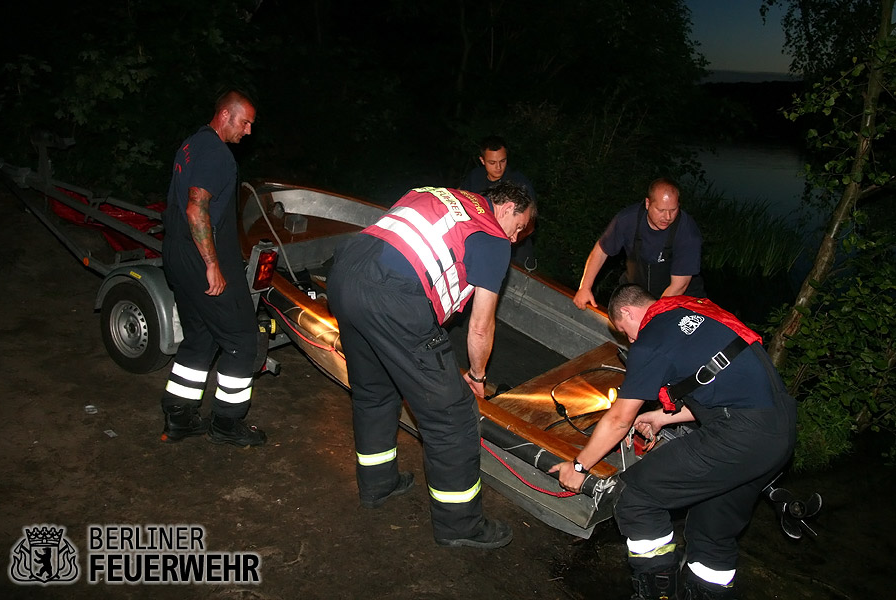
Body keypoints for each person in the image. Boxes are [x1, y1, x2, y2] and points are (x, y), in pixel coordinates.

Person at [552, 284, 796, 599]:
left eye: (625, 332)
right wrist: (662, 417)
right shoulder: (698, 311)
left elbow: (619, 419)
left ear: (627, 312)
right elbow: (722, 386)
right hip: (779, 431)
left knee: (636, 497)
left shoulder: (651, 340)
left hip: (740, 436)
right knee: (712, 531)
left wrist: (579, 466)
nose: (630, 340)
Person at [327, 182, 536, 549]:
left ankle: (378, 484)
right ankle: (460, 525)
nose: (516, 238)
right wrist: (477, 376)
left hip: (345, 272)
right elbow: (481, 325)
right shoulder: (491, 236)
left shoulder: (437, 194)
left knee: (375, 392)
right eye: (518, 227)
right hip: (394, 298)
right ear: (506, 209)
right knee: (452, 417)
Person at [159, 90, 267, 447]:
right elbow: (196, 208)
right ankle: (227, 423)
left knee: (201, 336)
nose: (248, 131)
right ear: (224, 115)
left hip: (175, 251)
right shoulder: (217, 153)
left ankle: (179, 416)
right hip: (199, 257)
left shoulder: (191, 144)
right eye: (244, 122)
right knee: (241, 340)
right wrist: (212, 265)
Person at [573, 177, 704, 309]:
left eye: (673, 210)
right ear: (647, 203)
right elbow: (601, 251)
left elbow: (679, 286)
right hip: (636, 292)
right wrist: (585, 287)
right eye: (661, 210)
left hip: (678, 298)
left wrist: (652, 313)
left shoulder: (687, 232)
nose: (668, 217)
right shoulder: (628, 219)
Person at [460, 135, 538, 270]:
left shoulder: (520, 183)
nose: (498, 167)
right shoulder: (475, 176)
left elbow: (531, 224)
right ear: (482, 160)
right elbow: (460, 199)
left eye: (503, 161)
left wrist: (509, 241)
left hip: (515, 254)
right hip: (478, 248)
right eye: (492, 162)